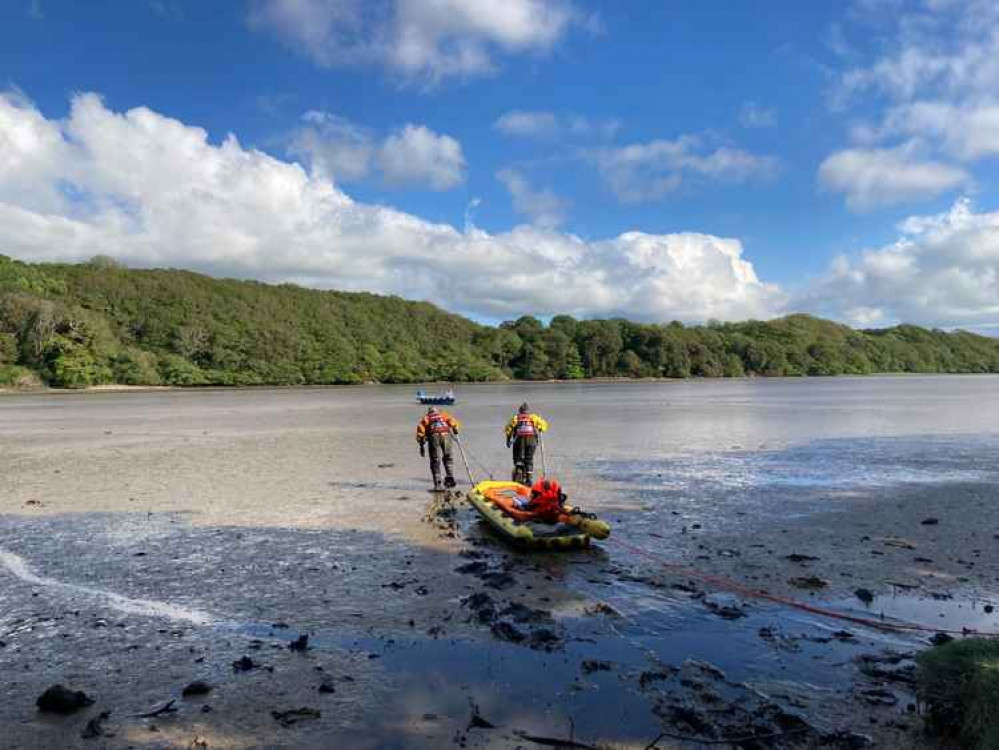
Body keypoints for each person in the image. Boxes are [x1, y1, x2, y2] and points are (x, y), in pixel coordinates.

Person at [416, 406, 461, 491]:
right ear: (437, 411)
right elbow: (453, 422)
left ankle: (437, 484)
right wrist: (455, 429)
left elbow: (420, 433)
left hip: (433, 437)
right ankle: (449, 476)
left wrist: (421, 445)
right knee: (448, 457)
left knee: (435, 460)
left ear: (429, 412)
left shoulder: (426, 418)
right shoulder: (444, 415)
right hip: (446, 435)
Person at [504, 403, 548, 486]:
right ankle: (528, 479)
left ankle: (519, 475)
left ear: (520, 411)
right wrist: (541, 428)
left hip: (519, 441)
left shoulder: (516, 418)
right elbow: (544, 426)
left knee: (518, 459)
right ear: (528, 412)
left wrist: (508, 441)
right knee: (529, 459)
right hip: (531, 441)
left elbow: (508, 430)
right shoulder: (533, 417)